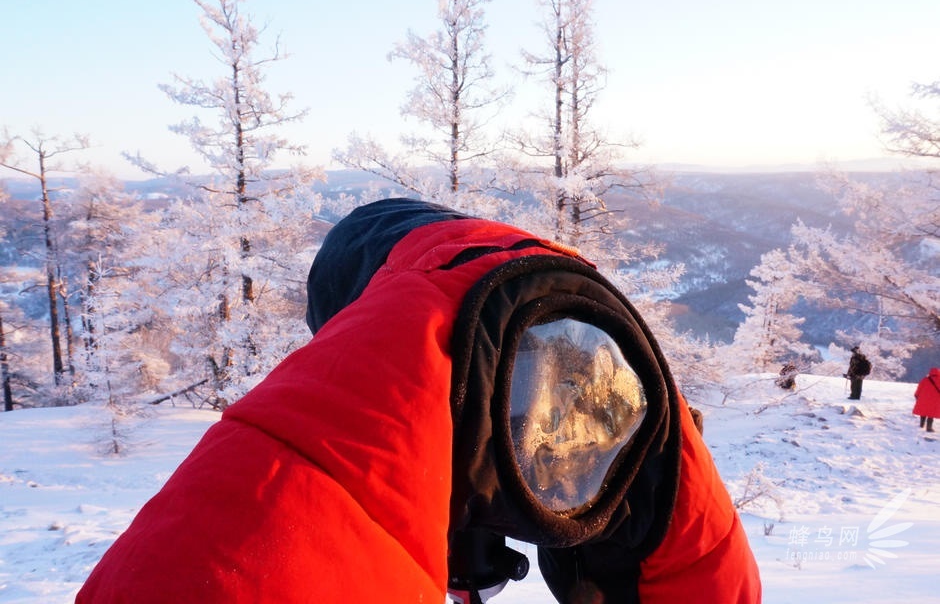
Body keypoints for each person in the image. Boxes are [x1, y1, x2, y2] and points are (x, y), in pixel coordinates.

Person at [76, 198, 761, 603]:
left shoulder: (395, 327)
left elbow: (233, 568)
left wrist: (464, 558)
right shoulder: (597, 322)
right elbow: (701, 560)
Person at [913, 367, 940, 433]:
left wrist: (916, 395)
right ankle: (929, 427)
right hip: (935, 400)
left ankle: (921, 425)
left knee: (923, 411)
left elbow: (919, 388)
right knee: (931, 413)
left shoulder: (925, 379)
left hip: (923, 399)